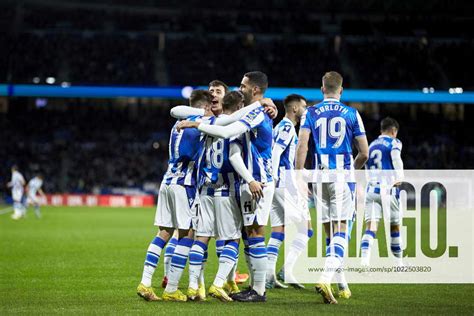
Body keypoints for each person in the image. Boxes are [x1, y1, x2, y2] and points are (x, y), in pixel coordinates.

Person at [178, 71, 275, 302]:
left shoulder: (258, 112)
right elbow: (231, 140)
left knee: (255, 233)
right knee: (248, 234)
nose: (239, 88)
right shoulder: (253, 111)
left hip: (258, 181)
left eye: (243, 86)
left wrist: (195, 124)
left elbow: (226, 131)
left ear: (254, 90)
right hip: (250, 181)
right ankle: (253, 287)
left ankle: (258, 290)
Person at [295, 71, 368, 304]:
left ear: (322, 89)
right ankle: (326, 278)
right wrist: (352, 168)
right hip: (340, 177)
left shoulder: (311, 112)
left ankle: (341, 283)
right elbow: (364, 152)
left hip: (319, 178)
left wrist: (299, 176)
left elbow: (302, 146)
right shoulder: (352, 113)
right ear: (342, 90)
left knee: (330, 232)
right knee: (342, 230)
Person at [137, 90, 214, 302]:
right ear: (205, 106)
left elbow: (175, 111)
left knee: (164, 232)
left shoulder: (177, 124)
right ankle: (171, 289)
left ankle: (145, 282)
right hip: (185, 184)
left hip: (167, 181)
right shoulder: (202, 122)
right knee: (188, 234)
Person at [266, 94, 312, 289]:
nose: (306, 109)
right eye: (304, 106)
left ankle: (267, 275)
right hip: (283, 183)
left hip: (279, 183)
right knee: (306, 228)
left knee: (278, 229)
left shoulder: (281, 127)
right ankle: (288, 270)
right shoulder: (286, 127)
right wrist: (275, 179)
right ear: (294, 109)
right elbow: (275, 152)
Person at [361, 117, 404, 267]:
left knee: (371, 227)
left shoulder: (371, 145)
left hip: (371, 189)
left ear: (381, 130)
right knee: (395, 226)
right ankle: (399, 264)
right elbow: (396, 159)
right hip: (388, 190)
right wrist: (400, 177)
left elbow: (365, 164)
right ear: (393, 131)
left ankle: (364, 262)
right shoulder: (394, 142)